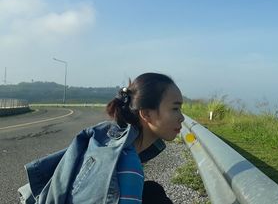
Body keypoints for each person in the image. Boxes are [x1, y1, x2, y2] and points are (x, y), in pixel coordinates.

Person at [18, 72, 184, 204]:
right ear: (146, 113)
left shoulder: (107, 139)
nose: (182, 118)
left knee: (152, 192)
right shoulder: (128, 164)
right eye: (175, 109)